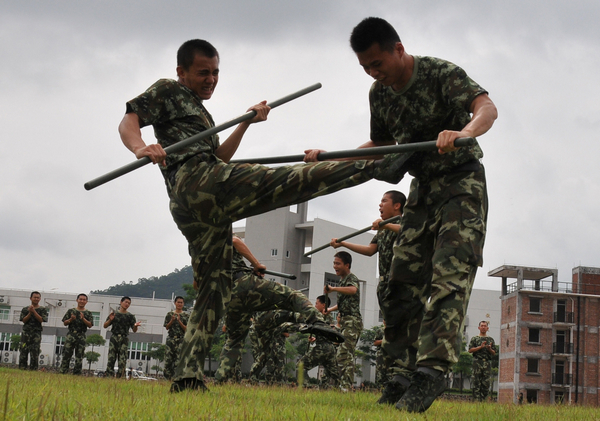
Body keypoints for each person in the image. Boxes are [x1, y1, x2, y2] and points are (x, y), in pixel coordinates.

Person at [118, 39, 400, 393]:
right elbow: (130, 120)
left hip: (196, 198)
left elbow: (218, 156)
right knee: (291, 181)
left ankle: (187, 377)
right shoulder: (166, 89)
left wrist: (247, 123)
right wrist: (139, 147)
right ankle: (381, 163)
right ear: (181, 71)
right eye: (203, 72)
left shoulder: (201, 113)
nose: (211, 79)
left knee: (214, 288)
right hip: (199, 184)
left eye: (216, 72)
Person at [336, 17, 497, 413]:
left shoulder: (441, 74)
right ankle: (401, 372)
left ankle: (432, 372)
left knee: (448, 275)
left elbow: (486, 108)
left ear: (398, 49)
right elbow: (380, 142)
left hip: (462, 185)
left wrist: (464, 132)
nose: (374, 74)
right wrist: (337, 157)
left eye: (378, 64)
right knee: (398, 287)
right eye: (366, 69)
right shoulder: (380, 93)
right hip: (421, 191)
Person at [215, 236, 337, 384]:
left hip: (229, 296)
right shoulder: (218, 236)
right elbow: (234, 240)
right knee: (293, 296)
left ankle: (219, 379)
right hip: (244, 284)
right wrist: (256, 264)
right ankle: (318, 321)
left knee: (234, 340)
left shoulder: (200, 253)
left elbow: (198, 285)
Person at [323, 251, 363, 391]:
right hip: (345, 320)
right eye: (334, 263)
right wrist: (330, 310)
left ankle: (346, 386)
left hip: (352, 321)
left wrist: (333, 288)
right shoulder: (342, 280)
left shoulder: (351, 278)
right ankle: (344, 386)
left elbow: (353, 290)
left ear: (347, 265)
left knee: (344, 353)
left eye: (338, 263)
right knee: (345, 354)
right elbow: (343, 303)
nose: (335, 266)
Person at [297, 295, 340, 388]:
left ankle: (306, 387)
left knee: (301, 365)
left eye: (317, 303)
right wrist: (315, 338)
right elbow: (327, 333)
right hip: (330, 349)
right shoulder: (329, 317)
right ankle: (342, 390)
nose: (315, 306)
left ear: (323, 305)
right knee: (334, 374)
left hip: (322, 348)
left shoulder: (320, 316)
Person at [103, 296, 141, 378]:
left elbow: (134, 330)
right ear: (121, 302)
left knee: (122, 360)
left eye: (129, 303)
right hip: (114, 337)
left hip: (124, 339)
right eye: (126, 302)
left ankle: (121, 377)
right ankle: (109, 376)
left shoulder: (130, 316)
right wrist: (110, 319)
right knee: (111, 358)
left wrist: (135, 326)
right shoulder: (114, 314)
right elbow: (105, 326)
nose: (127, 304)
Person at [60, 293, 93, 375]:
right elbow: (65, 323)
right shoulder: (71, 311)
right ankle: (63, 372)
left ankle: (77, 373)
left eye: (84, 300)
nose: (82, 301)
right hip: (71, 335)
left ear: (86, 301)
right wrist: (71, 319)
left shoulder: (88, 313)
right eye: (80, 299)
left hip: (81, 336)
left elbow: (90, 325)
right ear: (77, 300)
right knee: (66, 354)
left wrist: (83, 319)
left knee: (79, 356)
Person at [19, 291, 48, 370]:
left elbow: (42, 320)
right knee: (23, 351)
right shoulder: (25, 309)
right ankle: (22, 368)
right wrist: (29, 312)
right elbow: (24, 320)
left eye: (38, 297)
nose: (36, 299)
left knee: (35, 352)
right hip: (26, 333)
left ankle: (33, 369)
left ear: (40, 299)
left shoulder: (42, 309)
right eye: (34, 297)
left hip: (36, 333)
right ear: (30, 298)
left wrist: (34, 312)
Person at [468, 321, 496, 401]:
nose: (483, 327)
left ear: (487, 328)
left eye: (485, 326)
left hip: (487, 363)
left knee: (486, 383)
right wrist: (480, 347)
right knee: (476, 382)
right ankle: (476, 401)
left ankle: (484, 401)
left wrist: (489, 349)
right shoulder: (475, 338)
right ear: (479, 327)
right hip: (477, 362)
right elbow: (470, 350)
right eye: (482, 326)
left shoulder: (490, 340)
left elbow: (494, 353)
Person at [163, 296, 189, 380]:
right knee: (168, 360)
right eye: (178, 302)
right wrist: (172, 320)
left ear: (183, 304)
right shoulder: (170, 314)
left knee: (179, 360)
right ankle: (167, 379)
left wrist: (179, 321)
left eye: (181, 302)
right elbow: (167, 327)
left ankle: (177, 378)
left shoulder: (186, 315)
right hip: (171, 339)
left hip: (181, 340)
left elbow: (186, 329)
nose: (179, 304)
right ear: (175, 303)